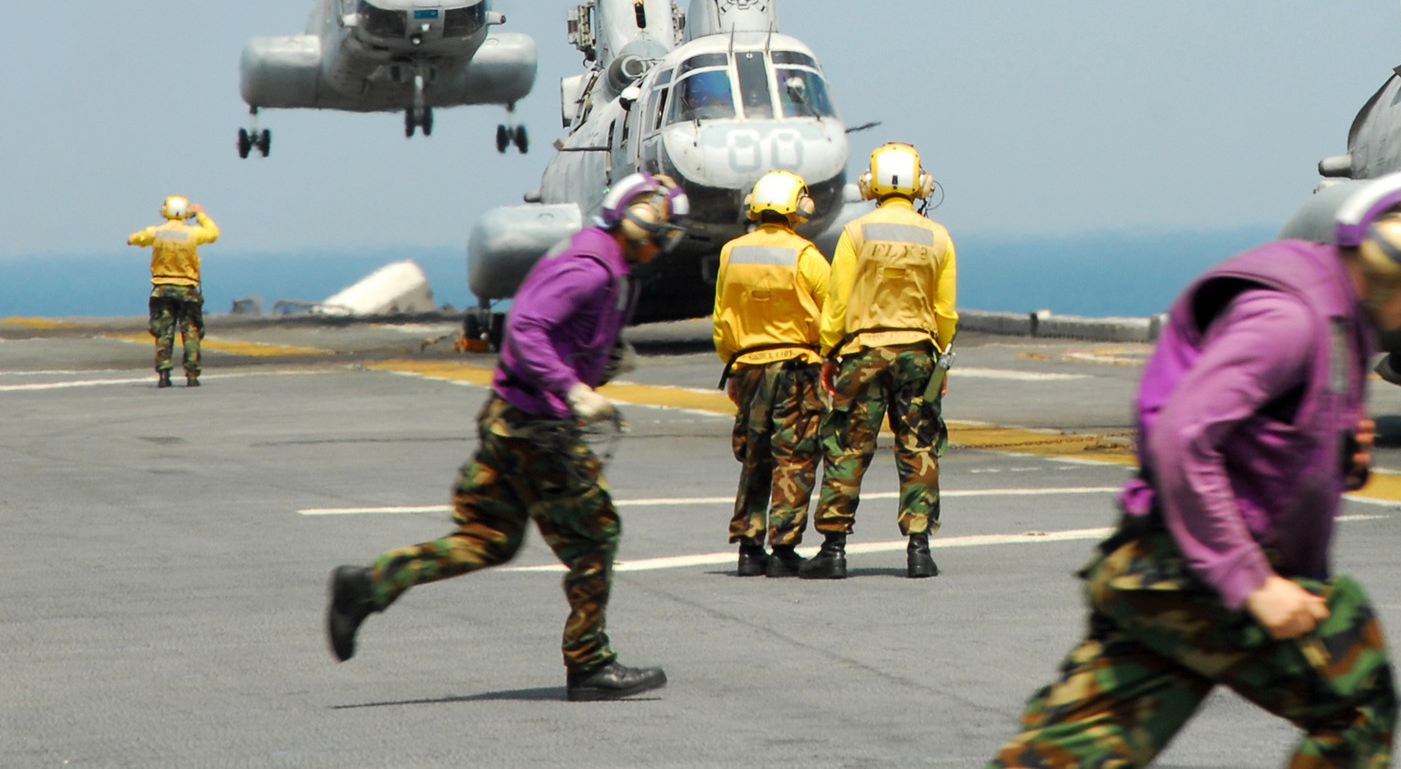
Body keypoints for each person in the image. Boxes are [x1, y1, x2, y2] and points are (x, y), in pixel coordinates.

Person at [988, 170, 1401, 769]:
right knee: (1357, 698)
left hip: (1161, 569)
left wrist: (1338, 456)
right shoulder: (1293, 321)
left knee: (1073, 755)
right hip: (1193, 574)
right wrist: (1252, 584)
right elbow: (1183, 435)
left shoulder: (1332, 311)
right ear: (1396, 261)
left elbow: (1261, 438)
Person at [324, 173, 688, 701]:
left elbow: (553, 326)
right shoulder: (593, 269)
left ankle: (368, 585)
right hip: (539, 429)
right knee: (595, 538)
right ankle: (589, 663)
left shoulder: (596, 255)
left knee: (488, 538)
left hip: (508, 415)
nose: (660, 246)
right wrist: (572, 387)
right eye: (660, 232)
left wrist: (599, 360)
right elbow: (526, 328)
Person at [797, 141, 956, 581]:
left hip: (862, 353)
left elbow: (838, 302)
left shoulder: (856, 233)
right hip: (919, 355)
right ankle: (919, 550)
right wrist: (938, 358)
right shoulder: (938, 236)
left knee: (847, 446)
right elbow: (945, 312)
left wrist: (829, 351)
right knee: (918, 448)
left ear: (872, 184)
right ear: (920, 184)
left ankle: (833, 550)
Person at [712, 170, 834, 578]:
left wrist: (733, 365)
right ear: (797, 207)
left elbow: (720, 318)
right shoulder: (807, 256)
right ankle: (783, 548)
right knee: (795, 457)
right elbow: (834, 317)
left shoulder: (732, 253)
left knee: (754, 457)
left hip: (746, 366)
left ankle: (749, 547)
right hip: (796, 369)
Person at [129, 195, 218, 388]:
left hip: (163, 290)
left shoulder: (156, 232)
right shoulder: (193, 234)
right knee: (191, 331)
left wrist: (133, 240)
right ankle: (192, 375)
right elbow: (212, 233)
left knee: (163, 332)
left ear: (166, 211)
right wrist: (200, 214)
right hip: (187, 289)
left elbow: (136, 238)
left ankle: (164, 374)